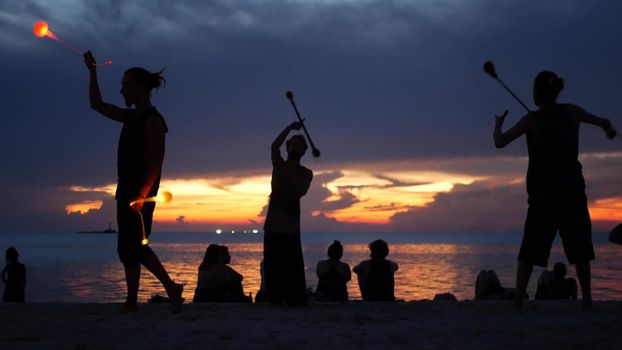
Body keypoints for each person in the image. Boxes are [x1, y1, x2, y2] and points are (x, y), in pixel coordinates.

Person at [493, 70, 617, 310]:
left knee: (529, 250)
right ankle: (587, 300)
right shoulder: (572, 111)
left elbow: (500, 142)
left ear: (538, 93)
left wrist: (498, 125)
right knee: (580, 250)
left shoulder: (532, 120)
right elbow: (603, 121)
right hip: (573, 192)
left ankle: (518, 300)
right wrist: (608, 129)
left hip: (544, 196)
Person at [84, 51, 183, 312]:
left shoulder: (152, 120)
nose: (121, 90)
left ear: (140, 87)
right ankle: (133, 299)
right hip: (126, 189)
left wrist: (141, 196)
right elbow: (97, 105)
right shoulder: (132, 117)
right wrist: (93, 72)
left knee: (135, 246)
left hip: (141, 194)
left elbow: (155, 163)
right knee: (127, 248)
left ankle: (169, 288)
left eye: (126, 85)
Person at [263, 121, 313, 306]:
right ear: (288, 147)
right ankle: (274, 298)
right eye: (294, 143)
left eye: (301, 145)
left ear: (304, 151)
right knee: (272, 263)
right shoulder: (278, 163)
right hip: (274, 221)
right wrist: (289, 128)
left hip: (291, 223)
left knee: (292, 264)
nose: (297, 146)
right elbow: (274, 145)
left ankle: (294, 298)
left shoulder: (306, 173)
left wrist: (290, 170)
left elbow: (301, 190)